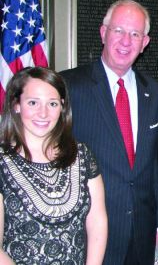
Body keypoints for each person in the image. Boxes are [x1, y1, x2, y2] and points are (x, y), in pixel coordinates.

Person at [61, 0, 158, 265]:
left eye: (135, 34)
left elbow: (156, 163)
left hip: (143, 233)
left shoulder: (157, 94)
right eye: (118, 30)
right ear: (103, 33)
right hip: (87, 231)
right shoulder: (68, 87)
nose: (126, 41)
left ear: (145, 43)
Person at [0, 67, 107, 265]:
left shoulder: (82, 155)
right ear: (16, 105)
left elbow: (96, 222)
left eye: (52, 103)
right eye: (33, 102)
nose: (43, 113)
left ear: (62, 107)